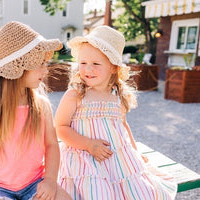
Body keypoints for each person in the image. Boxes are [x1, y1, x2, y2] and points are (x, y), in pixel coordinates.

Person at [55, 25, 177, 199]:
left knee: (141, 192)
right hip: (84, 158)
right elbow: (60, 127)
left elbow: (123, 126)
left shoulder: (117, 95)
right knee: (98, 193)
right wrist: (89, 144)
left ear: (113, 67)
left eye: (96, 64)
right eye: (83, 63)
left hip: (116, 160)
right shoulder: (76, 94)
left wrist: (135, 153)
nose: (88, 69)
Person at [0, 21, 71, 200]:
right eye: (40, 63)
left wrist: (49, 180)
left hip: (34, 183)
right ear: (19, 66)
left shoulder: (41, 105)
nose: (45, 70)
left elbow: (51, 144)